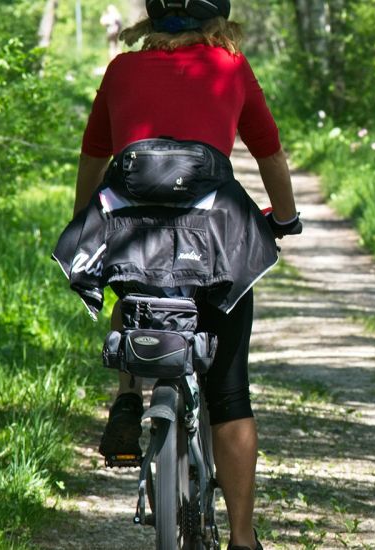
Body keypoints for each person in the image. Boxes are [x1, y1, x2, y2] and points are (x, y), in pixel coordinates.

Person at [74, 2, 298, 548]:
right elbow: (268, 154)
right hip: (215, 244)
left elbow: (93, 158)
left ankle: (129, 392)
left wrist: (85, 224)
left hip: (133, 235)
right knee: (229, 394)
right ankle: (243, 540)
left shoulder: (121, 69)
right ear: (215, 16)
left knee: (131, 279)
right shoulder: (229, 66)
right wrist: (285, 218)